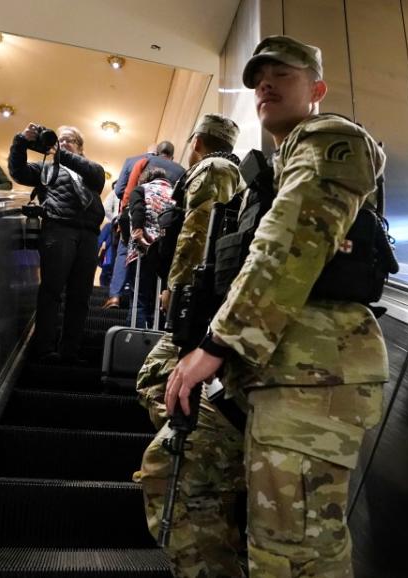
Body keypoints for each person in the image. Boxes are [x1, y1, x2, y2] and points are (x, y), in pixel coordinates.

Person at [161, 36, 389, 577]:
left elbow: (290, 240)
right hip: (263, 368)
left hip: (313, 368)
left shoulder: (331, 138)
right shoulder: (263, 171)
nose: (266, 85)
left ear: (317, 88)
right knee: (178, 479)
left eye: (283, 74)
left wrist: (216, 344)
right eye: (259, 78)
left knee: (293, 550)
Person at [132, 113, 245, 577]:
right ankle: (208, 455)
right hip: (208, 313)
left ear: (196, 142)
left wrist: (177, 292)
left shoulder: (214, 169)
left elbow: (201, 232)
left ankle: (212, 463)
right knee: (155, 380)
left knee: (164, 382)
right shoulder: (225, 170)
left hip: (203, 311)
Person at [9, 124, 106, 362]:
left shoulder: (91, 168)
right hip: (58, 228)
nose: (63, 143)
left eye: (70, 140)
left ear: (80, 147)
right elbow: (18, 171)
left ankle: (70, 351)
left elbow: (97, 176)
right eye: (61, 140)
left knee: (80, 296)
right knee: (51, 291)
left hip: (89, 234)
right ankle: (44, 348)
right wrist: (21, 141)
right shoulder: (46, 168)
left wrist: (62, 154)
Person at [105, 141, 186, 308]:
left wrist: (127, 216)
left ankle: (115, 296)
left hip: (139, 219)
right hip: (166, 229)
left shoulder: (142, 161)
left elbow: (122, 190)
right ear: (173, 155)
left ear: (155, 152)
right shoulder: (181, 171)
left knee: (123, 252)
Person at [127, 167, 174, 328]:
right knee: (160, 301)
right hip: (166, 256)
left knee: (138, 300)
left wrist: (139, 235)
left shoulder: (141, 189)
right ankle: (156, 340)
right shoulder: (176, 194)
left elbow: (138, 210)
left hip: (142, 252)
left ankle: (133, 341)